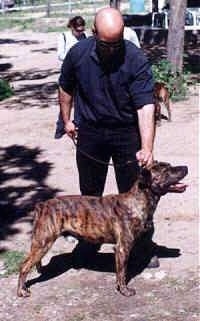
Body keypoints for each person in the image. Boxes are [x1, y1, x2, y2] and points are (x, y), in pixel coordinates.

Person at [58, 7, 156, 265]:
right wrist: (67, 120)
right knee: (90, 193)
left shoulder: (135, 58)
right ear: (93, 33)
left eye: (117, 42)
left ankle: (141, 247)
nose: (113, 49)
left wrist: (146, 147)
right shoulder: (77, 54)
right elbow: (65, 87)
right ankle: (89, 244)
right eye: (106, 44)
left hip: (126, 132)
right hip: (90, 131)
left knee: (136, 193)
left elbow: (145, 105)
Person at [55, 16, 87, 139]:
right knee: (65, 101)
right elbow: (60, 55)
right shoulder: (63, 36)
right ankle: (61, 127)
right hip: (69, 72)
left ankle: (79, 125)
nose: (80, 33)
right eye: (77, 31)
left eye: (82, 31)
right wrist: (74, 56)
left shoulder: (84, 37)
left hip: (81, 72)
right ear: (72, 27)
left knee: (81, 100)